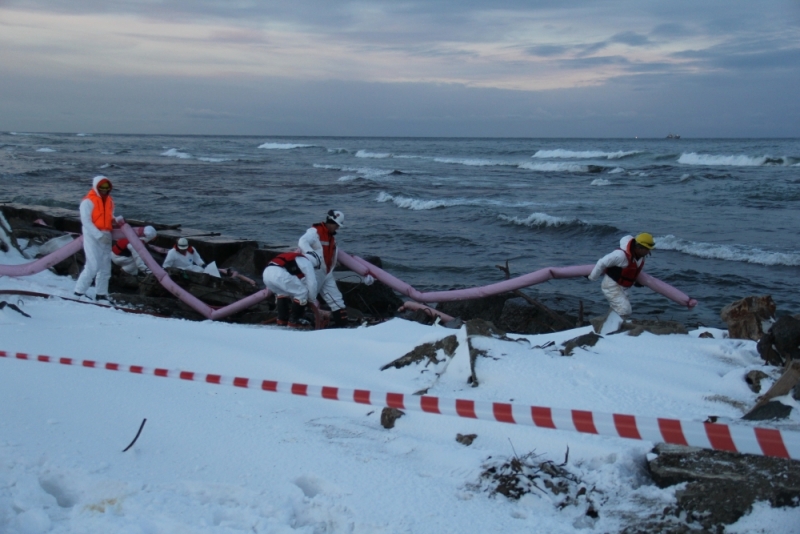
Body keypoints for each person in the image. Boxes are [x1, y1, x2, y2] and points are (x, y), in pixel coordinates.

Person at [298, 209, 374, 328]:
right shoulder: (315, 232)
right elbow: (302, 241)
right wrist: (312, 255)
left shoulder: (331, 238)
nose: (337, 228)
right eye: (336, 225)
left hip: (326, 274)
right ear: (330, 221)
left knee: (337, 300)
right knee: (304, 298)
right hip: (315, 273)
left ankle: (342, 326)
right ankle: (295, 320)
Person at [588, 233, 655, 318]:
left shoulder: (640, 256)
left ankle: (608, 326)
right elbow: (601, 263)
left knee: (616, 309)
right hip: (611, 286)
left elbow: (631, 271)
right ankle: (618, 328)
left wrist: (635, 281)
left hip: (622, 287)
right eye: (647, 249)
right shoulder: (620, 255)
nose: (648, 252)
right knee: (625, 310)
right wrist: (592, 277)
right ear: (639, 247)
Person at [74, 175, 116, 301]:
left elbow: (109, 216)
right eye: (101, 187)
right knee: (92, 265)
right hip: (92, 236)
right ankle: (79, 292)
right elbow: (86, 221)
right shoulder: (87, 201)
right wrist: (98, 235)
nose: (104, 189)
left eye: (106, 187)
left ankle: (101, 294)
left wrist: (116, 220)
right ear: (96, 186)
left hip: (106, 235)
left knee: (105, 267)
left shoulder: (110, 201)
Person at [263, 250, 323, 328]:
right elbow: (312, 283)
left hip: (266, 275)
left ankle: (282, 319)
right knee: (302, 292)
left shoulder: (296, 258)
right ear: (315, 261)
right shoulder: (306, 262)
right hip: (278, 273)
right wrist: (311, 299)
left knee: (283, 294)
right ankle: (295, 321)